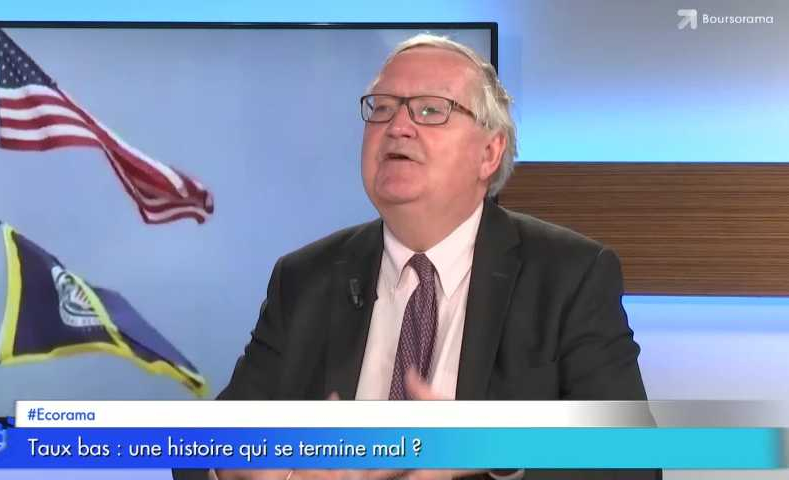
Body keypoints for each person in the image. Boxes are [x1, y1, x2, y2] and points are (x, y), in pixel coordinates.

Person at [175, 34, 659, 480]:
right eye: (382, 108)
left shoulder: (569, 276)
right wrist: (238, 470)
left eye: (431, 110)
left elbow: (633, 466)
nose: (397, 127)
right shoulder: (304, 278)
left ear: (489, 153)